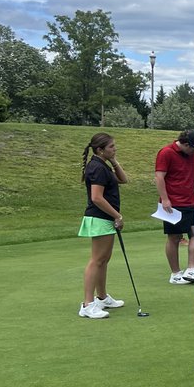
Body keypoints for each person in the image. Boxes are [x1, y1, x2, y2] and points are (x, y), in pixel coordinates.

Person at [78, 132, 128, 319]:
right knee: (97, 260)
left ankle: (102, 297)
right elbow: (96, 198)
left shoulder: (102, 165)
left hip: (103, 218)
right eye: (111, 147)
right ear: (100, 150)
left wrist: (114, 161)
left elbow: (123, 179)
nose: (115, 149)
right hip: (100, 218)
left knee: (103, 260)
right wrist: (117, 216)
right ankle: (87, 304)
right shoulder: (97, 168)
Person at [154, 130, 194, 284]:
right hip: (172, 203)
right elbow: (159, 177)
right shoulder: (166, 152)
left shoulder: (193, 154)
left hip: (191, 201)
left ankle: (192, 269)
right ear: (186, 144)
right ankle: (175, 273)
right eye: (193, 149)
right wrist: (165, 199)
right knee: (174, 237)